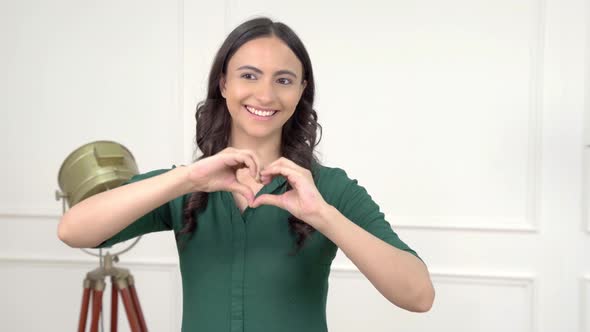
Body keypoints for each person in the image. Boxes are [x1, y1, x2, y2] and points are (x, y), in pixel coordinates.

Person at [58, 17, 435, 332]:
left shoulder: (330, 190)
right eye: (249, 75)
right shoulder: (188, 185)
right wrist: (187, 178)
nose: (265, 95)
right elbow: (73, 230)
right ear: (224, 83)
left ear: (302, 90)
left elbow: (419, 295)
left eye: (284, 80)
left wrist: (324, 216)